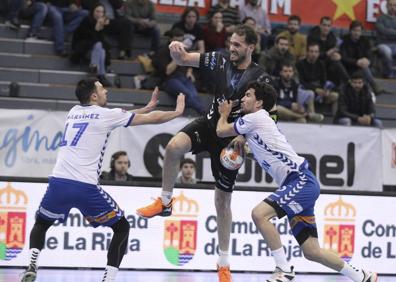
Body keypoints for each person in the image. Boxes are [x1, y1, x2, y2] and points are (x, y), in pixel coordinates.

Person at [137, 24, 271, 282]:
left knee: (222, 202)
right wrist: (177, 51)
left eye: (237, 45)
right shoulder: (220, 59)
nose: (231, 48)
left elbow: (264, 115)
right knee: (175, 146)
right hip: (210, 124)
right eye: (231, 43)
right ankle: (165, 201)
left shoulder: (260, 77)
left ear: (251, 48)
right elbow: (185, 59)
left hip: (232, 138)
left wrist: (243, 137)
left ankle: (223, 264)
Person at [20, 79, 185, 282]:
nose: (106, 90)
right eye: (101, 88)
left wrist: (146, 107)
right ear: (94, 96)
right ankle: (108, 278)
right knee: (122, 227)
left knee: (42, 223)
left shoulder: (73, 112)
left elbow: (117, 117)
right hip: (85, 187)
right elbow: (151, 119)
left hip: (58, 182)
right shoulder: (106, 115)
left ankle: (32, 264)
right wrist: (176, 113)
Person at [216, 81, 378, 282]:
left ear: (259, 103)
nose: (242, 99)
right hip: (299, 184)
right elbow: (264, 153)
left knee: (259, 215)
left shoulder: (255, 117)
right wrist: (243, 147)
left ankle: (284, 268)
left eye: (248, 95)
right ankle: (363, 276)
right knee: (312, 251)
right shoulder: (257, 126)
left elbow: (221, 131)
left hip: (300, 180)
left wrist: (224, 113)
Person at [152, 27, 205, 115]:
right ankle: (205, 114)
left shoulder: (183, 50)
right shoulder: (163, 51)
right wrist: (176, 57)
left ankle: (204, 116)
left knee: (195, 95)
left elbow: (190, 64)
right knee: (187, 94)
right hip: (169, 80)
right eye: (176, 41)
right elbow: (167, 71)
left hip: (184, 77)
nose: (178, 44)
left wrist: (189, 72)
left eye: (180, 41)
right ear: (171, 39)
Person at [70, 3, 113, 87]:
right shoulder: (87, 21)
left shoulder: (103, 24)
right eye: (97, 11)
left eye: (102, 12)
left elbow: (105, 44)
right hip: (82, 50)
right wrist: (96, 29)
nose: (99, 14)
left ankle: (95, 72)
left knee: (101, 49)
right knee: (98, 45)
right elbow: (87, 40)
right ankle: (101, 75)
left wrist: (102, 28)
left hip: (95, 52)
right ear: (93, 11)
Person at [340, 20, 384, 96]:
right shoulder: (344, 40)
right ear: (350, 31)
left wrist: (367, 60)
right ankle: (374, 85)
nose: (357, 33)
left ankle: (370, 88)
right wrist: (356, 62)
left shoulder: (365, 41)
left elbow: (369, 55)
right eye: (354, 30)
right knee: (364, 68)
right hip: (348, 67)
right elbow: (343, 58)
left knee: (365, 66)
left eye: (359, 31)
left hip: (361, 67)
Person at [296, 42, 339, 115]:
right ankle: (312, 116)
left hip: (320, 90)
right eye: (311, 51)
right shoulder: (300, 64)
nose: (313, 54)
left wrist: (325, 90)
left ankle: (336, 120)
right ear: (307, 52)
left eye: (316, 52)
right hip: (306, 90)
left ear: (318, 53)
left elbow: (323, 81)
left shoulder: (321, 64)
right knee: (311, 93)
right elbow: (302, 82)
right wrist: (316, 89)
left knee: (335, 96)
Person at [307, 16, 349, 87]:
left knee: (337, 62)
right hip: (315, 63)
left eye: (328, 26)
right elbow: (312, 55)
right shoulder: (312, 36)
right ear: (320, 25)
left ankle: (343, 86)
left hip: (327, 63)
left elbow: (335, 49)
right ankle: (348, 82)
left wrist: (337, 55)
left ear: (330, 27)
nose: (326, 28)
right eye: (324, 25)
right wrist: (327, 53)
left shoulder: (331, 36)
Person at [375, 0, 396, 78]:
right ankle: (388, 74)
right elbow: (383, 31)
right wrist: (392, 33)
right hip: (383, 44)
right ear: (386, 6)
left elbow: (386, 32)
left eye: (394, 5)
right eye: (390, 5)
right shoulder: (380, 19)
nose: (392, 7)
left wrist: (388, 32)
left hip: (395, 45)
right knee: (387, 51)